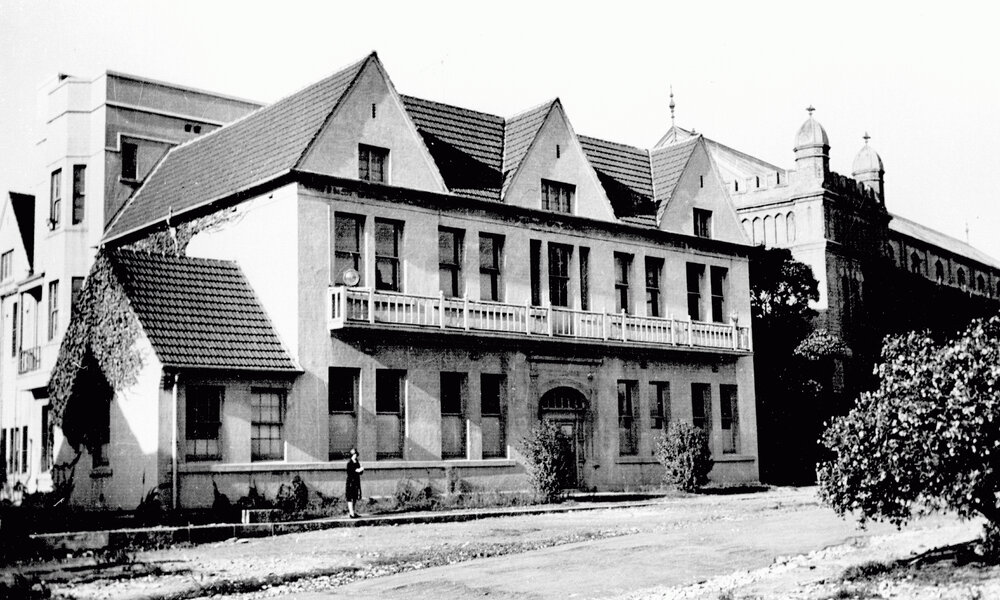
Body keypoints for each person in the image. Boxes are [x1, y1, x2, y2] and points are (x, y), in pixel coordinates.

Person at [345, 448, 364, 518]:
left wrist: (360, 470)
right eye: (354, 455)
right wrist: (358, 470)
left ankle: (353, 511)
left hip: (356, 482)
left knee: (355, 497)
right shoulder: (349, 463)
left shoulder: (357, 462)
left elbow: (360, 472)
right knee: (350, 497)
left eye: (356, 454)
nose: (355, 456)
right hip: (351, 482)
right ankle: (351, 512)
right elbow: (350, 472)